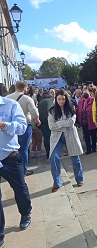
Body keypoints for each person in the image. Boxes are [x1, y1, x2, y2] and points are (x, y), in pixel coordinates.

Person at [0, 95, 32, 246]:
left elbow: (22, 127)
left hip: (10, 157)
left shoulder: (10, 105)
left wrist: (4, 125)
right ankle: (0, 234)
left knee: (20, 188)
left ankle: (25, 213)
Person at [48, 89, 84, 193]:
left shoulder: (71, 109)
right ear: (56, 99)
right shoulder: (52, 111)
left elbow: (71, 123)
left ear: (66, 99)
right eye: (59, 99)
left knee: (75, 157)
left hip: (70, 134)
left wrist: (59, 123)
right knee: (54, 157)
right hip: (57, 137)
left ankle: (79, 178)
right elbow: (51, 126)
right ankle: (57, 182)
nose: (61, 101)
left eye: (63, 99)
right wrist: (64, 123)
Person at [7, 80, 40, 176]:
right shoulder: (27, 99)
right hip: (24, 124)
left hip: (11, 126)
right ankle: (24, 170)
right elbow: (34, 112)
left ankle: (13, 169)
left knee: (13, 149)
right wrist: (37, 120)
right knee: (24, 148)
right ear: (25, 88)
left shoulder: (7, 98)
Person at [77, 89, 97, 155]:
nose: (85, 94)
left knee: (93, 135)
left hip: (92, 121)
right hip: (84, 121)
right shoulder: (81, 101)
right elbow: (78, 110)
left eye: (86, 93)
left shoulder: (93, 100)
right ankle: (88, 149)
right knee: (86, 136)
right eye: (84, 93)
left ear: (89, 93)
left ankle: (94, 148)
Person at [38, 91, 55, 159]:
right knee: (53, 137)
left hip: (43, 122)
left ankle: (48, 152)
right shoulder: (52, 100)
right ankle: (53, 151)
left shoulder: (41, 102)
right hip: (52, 120)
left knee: (46, 137)